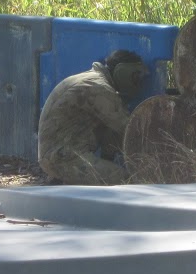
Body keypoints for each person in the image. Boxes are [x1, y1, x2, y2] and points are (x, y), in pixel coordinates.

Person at [37, 49, 149, 185]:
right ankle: (64, 178)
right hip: (63, 158)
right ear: (122, 72)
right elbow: (130, 130)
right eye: (135, 76)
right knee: (126, 181)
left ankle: (66, 179)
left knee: (111, 131)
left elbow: (114, 134)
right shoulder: (99, 88)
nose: (137, 82)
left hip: (61, 153)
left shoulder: (93, 80)